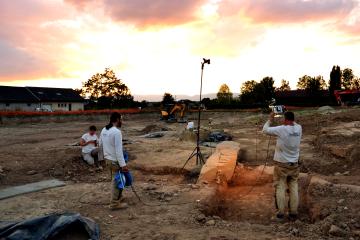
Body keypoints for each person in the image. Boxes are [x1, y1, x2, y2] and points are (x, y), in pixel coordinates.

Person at [262, 111, 302, 221]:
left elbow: (265, 130)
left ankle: (280, 214)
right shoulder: (299, 128)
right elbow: (293, 124)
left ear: (285, 119)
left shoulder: (281, 129)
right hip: (294, 164)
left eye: (284, 119)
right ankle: (293, 213)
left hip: (282, 165)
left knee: (280, 187)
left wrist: (270, 119)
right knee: (293, 187)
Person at [99, 112, 128, 210]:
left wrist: (103, 157)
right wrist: (123, 164)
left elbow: (100, 144)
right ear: (117, 119)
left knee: (118, 179)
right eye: (121, 119)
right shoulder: (116, 132)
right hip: (115, 161)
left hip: (108, 160)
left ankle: (119, 197)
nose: (122, 121)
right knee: (116, 181)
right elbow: (118, 151)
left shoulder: (104, 129)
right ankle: (114, 204)